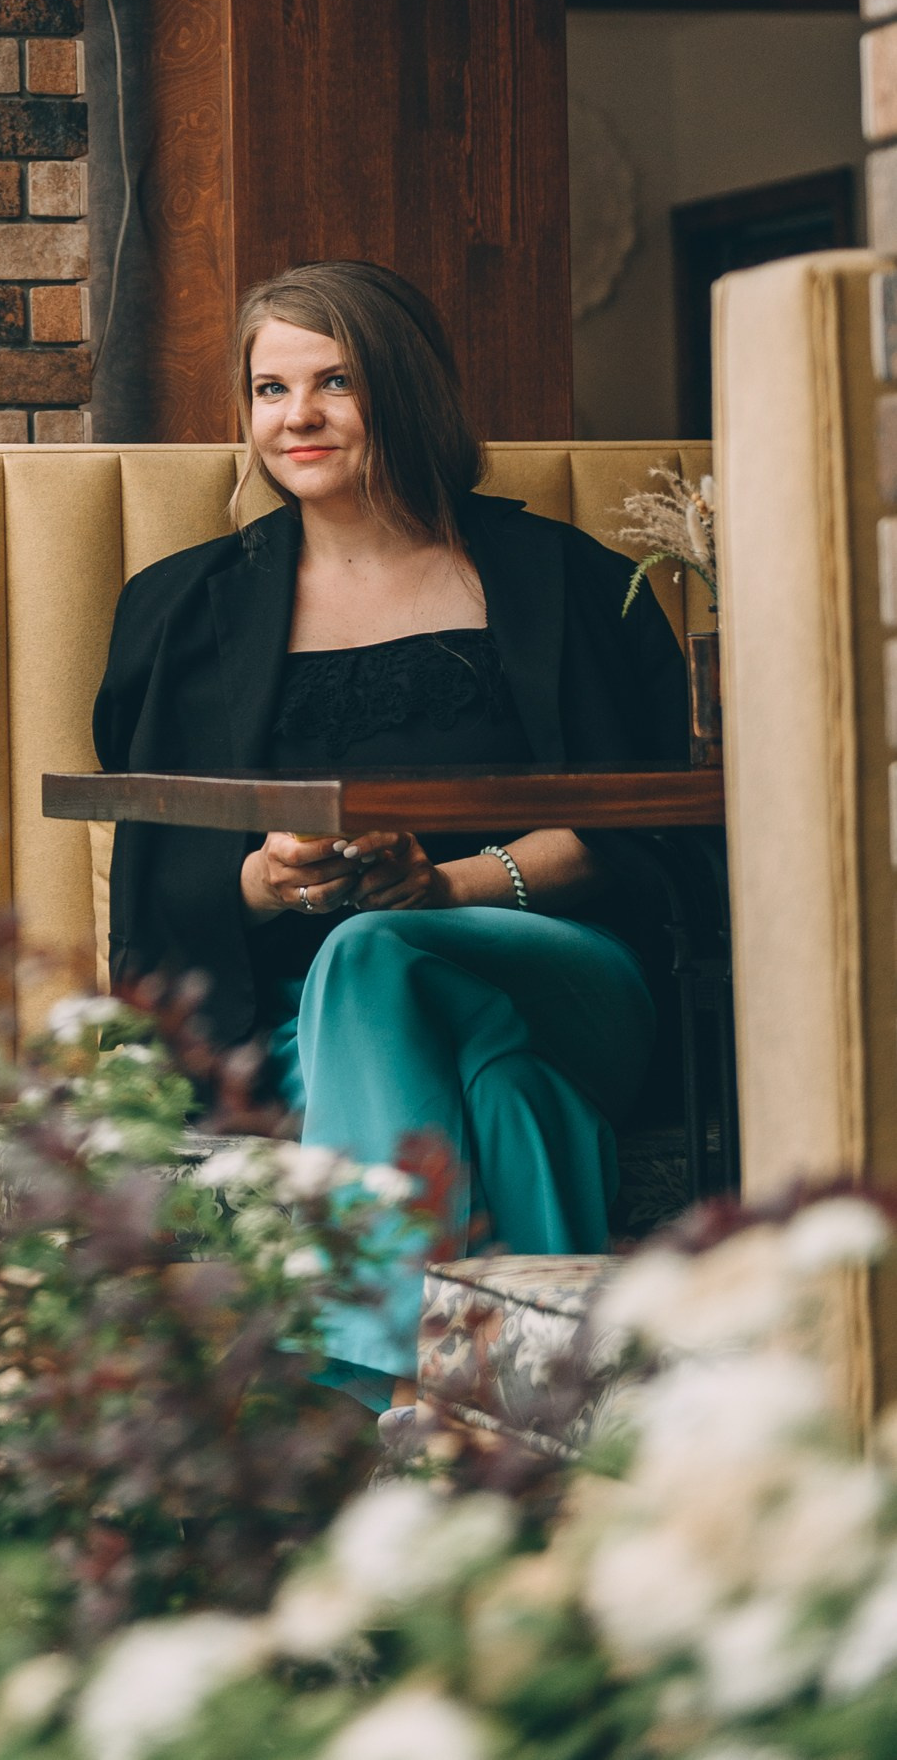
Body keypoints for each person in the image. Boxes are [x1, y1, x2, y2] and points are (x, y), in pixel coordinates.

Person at [94, 259, 688, 1411]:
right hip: (306, 1012)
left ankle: (375, 1375)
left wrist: (450, 884)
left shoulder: (566, 583)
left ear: (405, 392)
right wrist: (264, 880)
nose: (296, 417)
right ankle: (510, 1414)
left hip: (558, 967)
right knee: (513, 1095)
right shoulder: (180, 610)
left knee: (377, 951)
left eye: (334, 381)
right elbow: (155, 875)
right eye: (269, 389)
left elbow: (647, 833)